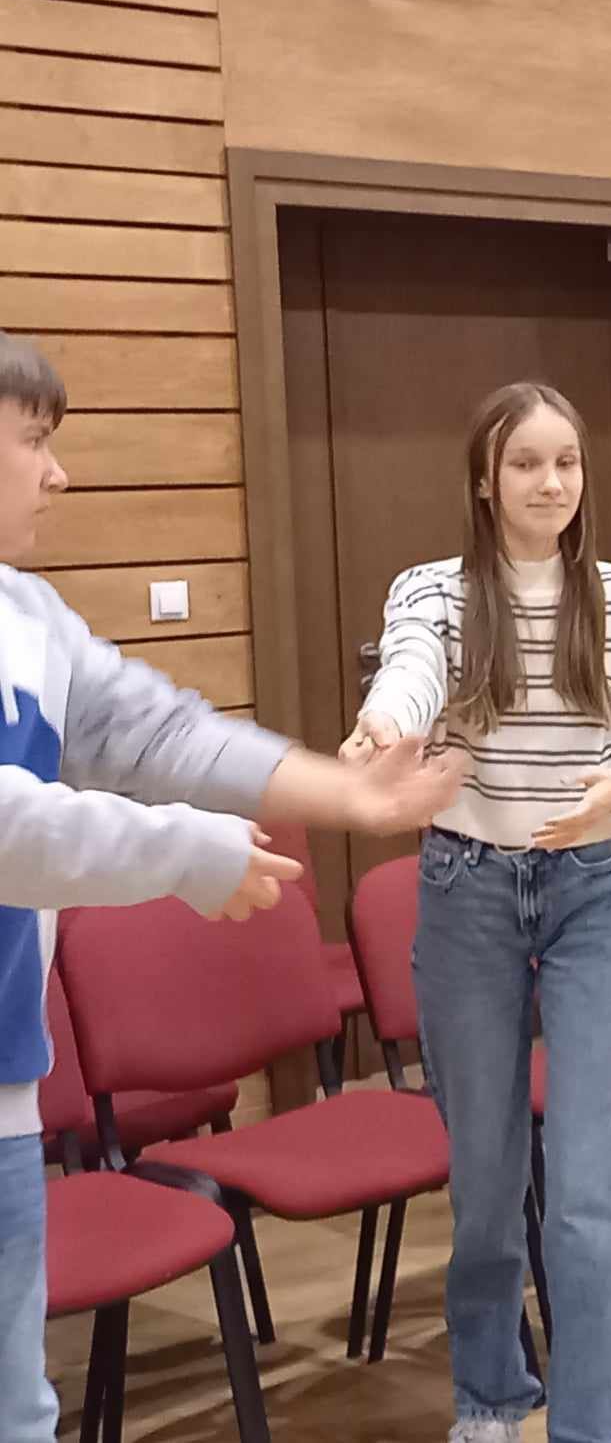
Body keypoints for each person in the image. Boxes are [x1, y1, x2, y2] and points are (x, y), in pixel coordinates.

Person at [0, 330, 463, 1442]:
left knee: (17, 1410)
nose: (59, 474)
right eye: (34, 440)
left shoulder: (29, 617)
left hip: (5, 1084)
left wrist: (347, 797)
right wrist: (185, 853)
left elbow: (158, 733)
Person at [342, 381, 611, 1443]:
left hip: (588, 896)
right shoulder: (434, 592)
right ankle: (491, 1393)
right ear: (485, 481)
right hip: (468, 895)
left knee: (586, 1188)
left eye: (566, 462)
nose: (550, 483)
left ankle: (596, 1424)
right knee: (487, 1185)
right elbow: (409, 674)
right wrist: (381, 730)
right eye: (526, 463)